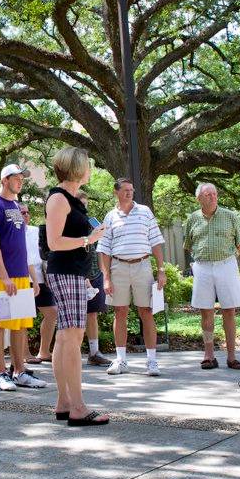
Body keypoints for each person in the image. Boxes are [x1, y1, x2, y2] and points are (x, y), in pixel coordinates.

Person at [45, 147, 110, 426]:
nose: (90, 169)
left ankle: (64, 403)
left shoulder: (70, 198)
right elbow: (54, 243)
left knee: (65, 337)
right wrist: (89, 239)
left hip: (72, 272)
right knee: (72, 337)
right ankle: (78, 408)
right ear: (76, 168)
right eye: (88, 165)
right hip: (66, 272)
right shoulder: (59, 199)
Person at [0, 163, 47, 391]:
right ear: (4, 180)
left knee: (20, 326)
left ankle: (19, 371)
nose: (21, 181)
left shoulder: (17, 206)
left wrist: (32, 278)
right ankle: (1, 373)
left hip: (21, 276)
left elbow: (22, 246)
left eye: (22, 178)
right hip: (2, 278)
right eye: (16, 177)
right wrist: (5, 277)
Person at [97, 178, 167, 376]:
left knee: (146, 311)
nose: (129, 193)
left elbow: (156, 242)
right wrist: (106, 278)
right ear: (116, 192)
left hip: (143, 266)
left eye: (131, 189)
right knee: (120, 312)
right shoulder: (110, 217)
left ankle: (152, 361)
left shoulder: (145, 212)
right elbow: (104, 250)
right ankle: (121, 360)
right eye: (125, 190)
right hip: (118, 267)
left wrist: (161, 270)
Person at [184, 183, 240, 370]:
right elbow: (188, 244)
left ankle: (232, 356)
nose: (212, 197)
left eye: (214, 193)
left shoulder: (230, 216)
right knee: (206, 311)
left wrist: (231, 257)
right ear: (199, 198)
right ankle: (209, 355)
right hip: (202, 266)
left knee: (229, 310)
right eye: (208, 194)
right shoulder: (193, 219)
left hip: (226, 264)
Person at [77, 191, 111, 367]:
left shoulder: (93, 223)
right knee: (76, 316)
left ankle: (94, 352)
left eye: (86, 204)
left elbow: (100, 249)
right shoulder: (71, 224)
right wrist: (83, 276)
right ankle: (72, 353)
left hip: (95, 275)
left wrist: (104, 273)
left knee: (92, 314)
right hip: (78, 276)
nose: (84, 207)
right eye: (80, 203)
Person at [24, 204, 55, 365]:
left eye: (27, 212)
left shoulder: (36, 231)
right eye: (22, 212)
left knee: (52, 313)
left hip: (41, 278)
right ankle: (25, 353)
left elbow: (45, 251)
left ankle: (44, 351)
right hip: (23, 279)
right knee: (24, 318)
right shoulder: (11, 233)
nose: (26, 215)